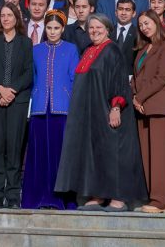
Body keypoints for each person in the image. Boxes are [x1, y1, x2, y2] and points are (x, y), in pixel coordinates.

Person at [55, 13, 146, 211]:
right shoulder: (88, 49)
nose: (94, 31)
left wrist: (116, 107)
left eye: (99, 27)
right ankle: (97, 196)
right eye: (91, 28)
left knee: (113, 153)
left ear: (107, 30)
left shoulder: (112, 50)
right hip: (91, 114)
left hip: (108, 110)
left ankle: (118, 199)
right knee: (96, 154)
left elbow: (119, 81)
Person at [22, 10, 78, 210]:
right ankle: (37, 198)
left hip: (62, 109)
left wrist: (71, 102)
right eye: (49, 28)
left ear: (62, 29)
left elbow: (74, 78)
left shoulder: (71, 49)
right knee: (38, 155)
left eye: (56, 28)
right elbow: (32, 77)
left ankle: (59, 199)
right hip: (39, 109)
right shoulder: (36, 50)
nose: (53, 31)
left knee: (60, 155)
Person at [0, 3, 34, 209]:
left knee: (14, 148)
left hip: (17, 100)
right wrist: (0, 89)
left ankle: (12, 195)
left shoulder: (25, 42)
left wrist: (11, 91)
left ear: (16, 18)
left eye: (9, 15)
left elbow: (28, 72)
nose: (5, 19)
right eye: (2, 15)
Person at [131, 10, 165, 213]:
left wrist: (139, 97)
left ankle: (161, 199)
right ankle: (155, 198)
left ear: (157, 22)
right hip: (142, 107)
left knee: (159, 155)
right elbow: (136, 77)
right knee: (147, 155)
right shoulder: (143, 48)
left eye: (147, 23)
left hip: (158, 106)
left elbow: (162, 77)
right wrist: (135, 96)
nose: (144, 27)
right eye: (141, 25)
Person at [113, 0, 138, 74]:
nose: (123, 13)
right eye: (120, 9)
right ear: (116, 12)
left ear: (134, 13)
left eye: (127, 10)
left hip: (129, 77)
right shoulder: (107, 32)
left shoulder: (138, 34)